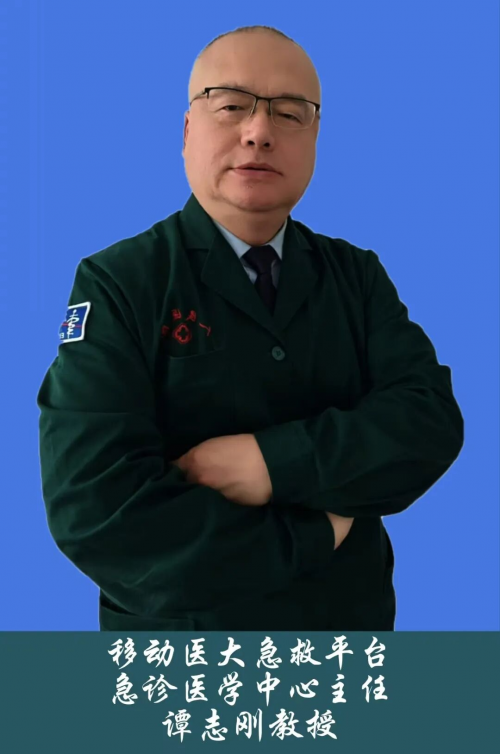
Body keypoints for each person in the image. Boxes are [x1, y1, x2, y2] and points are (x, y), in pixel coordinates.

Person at [36, 25, 464, 632]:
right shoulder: (119, 282)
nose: (259, 131)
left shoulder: (356, 275)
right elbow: (98, 511)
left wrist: (271, 463)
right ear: (188, 130)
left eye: (289, 113)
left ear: (315, 138)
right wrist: (312, 535)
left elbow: (428, 423)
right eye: (232, 105)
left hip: (348, 644)